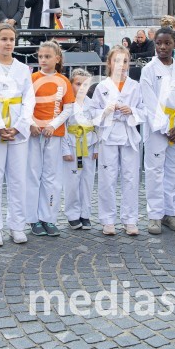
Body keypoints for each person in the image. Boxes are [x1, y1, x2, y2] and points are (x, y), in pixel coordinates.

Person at [0, 23, 35, 246]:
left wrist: (19, 126)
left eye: (11, 39)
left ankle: (17, 225)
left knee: (18, 179)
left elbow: (29, 99)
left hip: (17, 131)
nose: (8, 43)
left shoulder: (22, 68)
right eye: (3, 39)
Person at [140, 28, 175, 234]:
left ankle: (169, 212)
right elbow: (149, 101)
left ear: (174, 44)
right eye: (159, 43)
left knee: (173, 171)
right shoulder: (149, 70)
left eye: (167, 43)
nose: (163, 47)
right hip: (158, 127)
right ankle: (154, 214)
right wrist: (165, 127)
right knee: (154, 171)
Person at [91, 46, 143, 236]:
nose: (121, 65)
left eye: (125, 61)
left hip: (128, 134)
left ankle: (130, 219)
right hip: (109, 134)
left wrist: (133, 111)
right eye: (117, 61)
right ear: (109, 63)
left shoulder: (135, 86)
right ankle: (108, 219)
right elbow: (93, 112)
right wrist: (105, 112)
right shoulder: (101, 87)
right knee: (107, 178)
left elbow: (144, 109)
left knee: (131, 177)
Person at [27, 41, 74, 238]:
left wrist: (53, 125)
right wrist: (31, 123)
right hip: (35, 134)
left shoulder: (63, 81)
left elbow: (68, 108)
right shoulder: (31, 78)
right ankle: (32, 218)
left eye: (47, 57)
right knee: (33, 174)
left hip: (53, 135)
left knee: (51, 177)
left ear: (57, 58)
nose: (43, 60)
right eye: (40, 57)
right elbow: (25, 105)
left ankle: (49, 218)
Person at [63, 68, 97, 229]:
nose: (82, 88)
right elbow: (62, 127)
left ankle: (85, 214)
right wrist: (65, 150)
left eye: (85, 85)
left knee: (87, 180)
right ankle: (72, 214)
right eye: (78, 84)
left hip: (89, 146)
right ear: (71, 84)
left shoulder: (92, 103)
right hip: (72, 145)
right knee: (72, 180)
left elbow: (97, 127)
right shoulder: (68, 104)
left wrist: (97, 148)